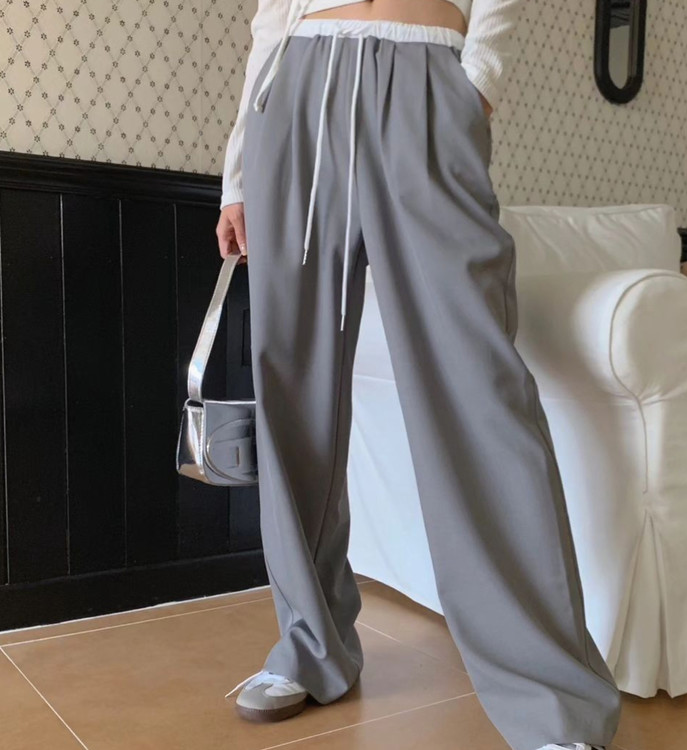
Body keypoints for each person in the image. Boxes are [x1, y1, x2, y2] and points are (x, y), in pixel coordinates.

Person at [215, 2, 623, 749]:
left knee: (479, 392)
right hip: (298, 87)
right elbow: (270, 20)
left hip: (427, 78)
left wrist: (475, 84)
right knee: (292, 388)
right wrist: (237, 175)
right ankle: (310, 645)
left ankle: (553, 702)